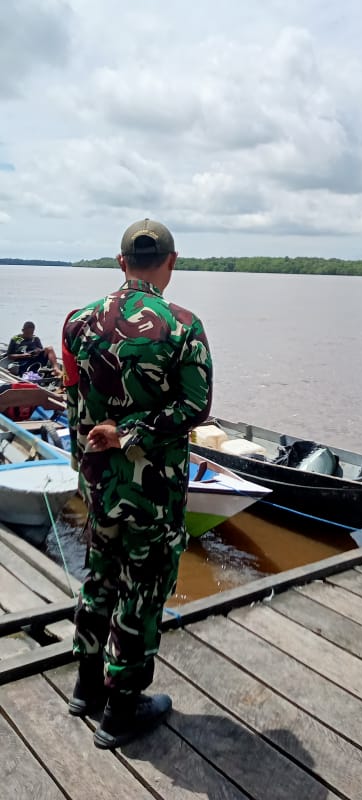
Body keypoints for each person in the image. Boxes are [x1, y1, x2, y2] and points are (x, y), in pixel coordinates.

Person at [62, 218, 213, 750]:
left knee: (99, 574)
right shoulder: (183, 326)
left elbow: (74, 402)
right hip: (154, 490)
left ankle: (86, 687)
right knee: (142, 590)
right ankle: (121, 708)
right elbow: (196, 406)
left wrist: (95, 449)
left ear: (120, 262)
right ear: (172, 262)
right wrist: (133, 431)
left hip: (99, 483)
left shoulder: (77, 323)